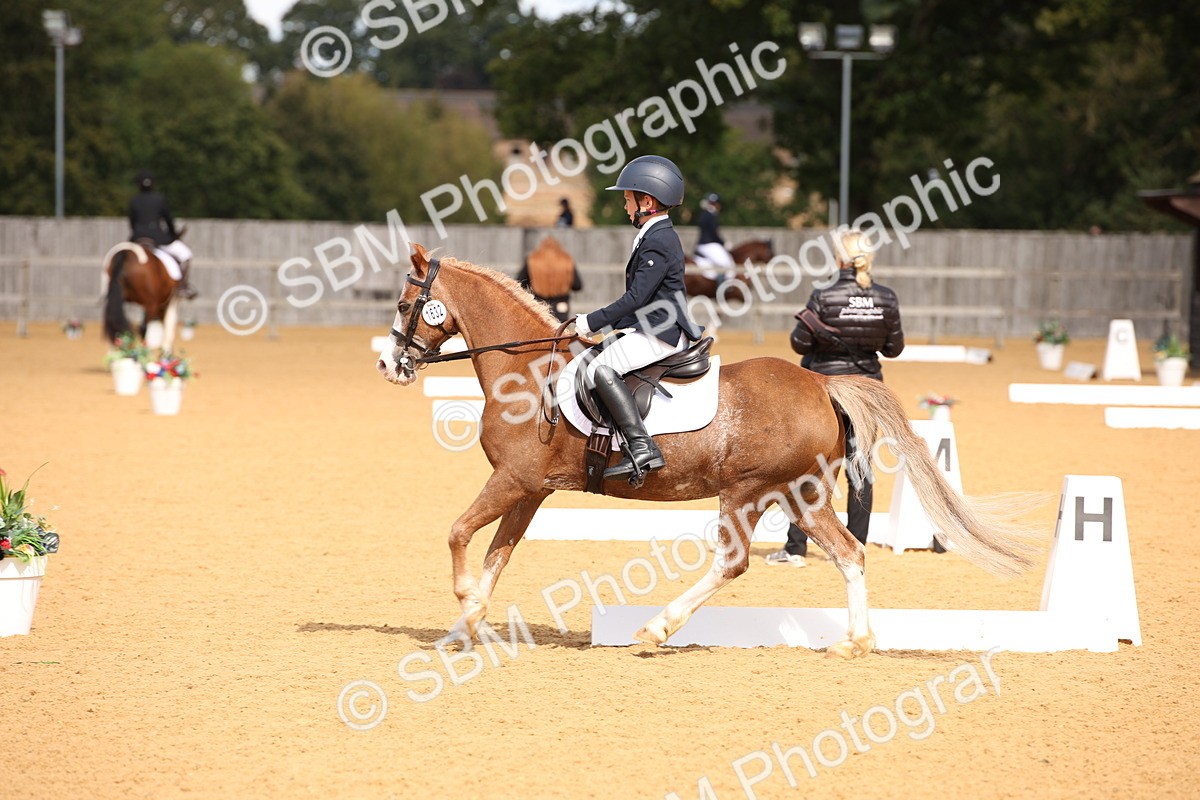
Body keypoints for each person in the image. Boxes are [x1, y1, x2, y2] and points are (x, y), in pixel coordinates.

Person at [765, 229, 905, 567]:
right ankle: (855, 544)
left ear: (839, 257)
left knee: (808, 468)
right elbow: (894, 347)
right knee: (861, 469)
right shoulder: (885, 297)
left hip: (824, 390)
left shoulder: (823, 295)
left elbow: (799, 343)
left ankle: (796, 548)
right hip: (865, 391)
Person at [574, 155, 704, 485]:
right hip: (651, 325)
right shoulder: (654, 234)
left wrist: (591, 321)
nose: (624, 206)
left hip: (661, 332)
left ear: (646, 200)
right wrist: (608, 326)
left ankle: (641, 446)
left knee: (599, 370)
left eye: (627, 199)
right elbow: (641, 301)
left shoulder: (659, 240)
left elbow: (635, 298)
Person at [128, 170, 196, 299]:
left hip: (137, 239)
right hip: (158, 239)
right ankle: (182, 287)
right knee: (186, 255)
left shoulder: (134, 201)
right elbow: (168, 220)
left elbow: (132, 223)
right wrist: (173, 235)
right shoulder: (160, 199)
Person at [516, 235, 582, 322]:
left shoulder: (532, 260)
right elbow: (577, 285)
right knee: (560, 331)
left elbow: (520, 282)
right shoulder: (566, 261)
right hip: (561, 305)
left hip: (538, 304)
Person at [692, 192, 734, 280]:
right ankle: (722, 288)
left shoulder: (705, 214)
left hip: (704, 244)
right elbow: (713, 233)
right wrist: (723, 243)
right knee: (725, 263)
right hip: (710, 244)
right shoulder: (710, 215)